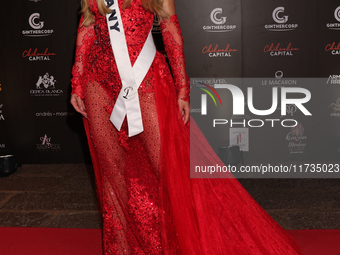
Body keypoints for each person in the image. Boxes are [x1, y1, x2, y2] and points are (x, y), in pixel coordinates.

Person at [70, 0, 306, 254]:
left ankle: (173, 243)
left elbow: (170, 30)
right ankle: (122, 248)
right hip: (98, 84)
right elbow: (87, 26)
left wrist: (183, 87)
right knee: (112, 174)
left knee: (168, 171)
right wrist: (78, 81)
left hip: (145, 80)